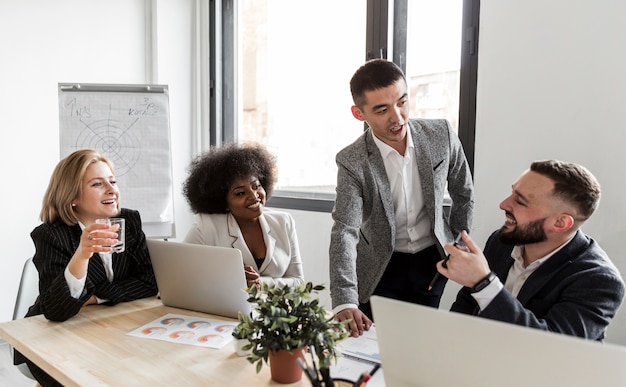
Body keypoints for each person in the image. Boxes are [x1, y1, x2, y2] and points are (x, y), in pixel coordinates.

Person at [329, 58, 474, 337]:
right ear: (359, 114)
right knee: (373, 347)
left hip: (431, 264)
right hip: (379, 267)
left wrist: (458, 244)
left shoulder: (441, 134)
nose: (397, 117)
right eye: (382, 110)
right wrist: (344, 300)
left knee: (419, 343)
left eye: (402, 102)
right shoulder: (351, 161)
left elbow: (463, 192)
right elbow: (344, 230)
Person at [16, 149, 158, 386]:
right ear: (73, 197)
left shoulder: (130, 221)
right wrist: (81, 255)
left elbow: (149, 283)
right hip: (51, 339)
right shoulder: (51, 235)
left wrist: (95, 296)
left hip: (109, 329)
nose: (112, 190)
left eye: (112, 181)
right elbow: (56, 310)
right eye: (97, 184)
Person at [443, 160, 625, 341]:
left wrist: (483, 283)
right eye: (512, 192)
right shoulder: (501, 241)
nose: (504, 204)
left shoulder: (599, 281)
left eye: (520, 201)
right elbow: (468, 304)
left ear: (560, 223)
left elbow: (551, 345)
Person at [183, 143, 304, 289]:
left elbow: (299, 282)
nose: (254, 196)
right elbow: (179, 274)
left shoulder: (284, 222)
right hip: (226, 309)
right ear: (223, 201)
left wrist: (261, 283)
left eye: (256, 186)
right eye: (240, 193)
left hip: (276, 311)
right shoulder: (207, 227)